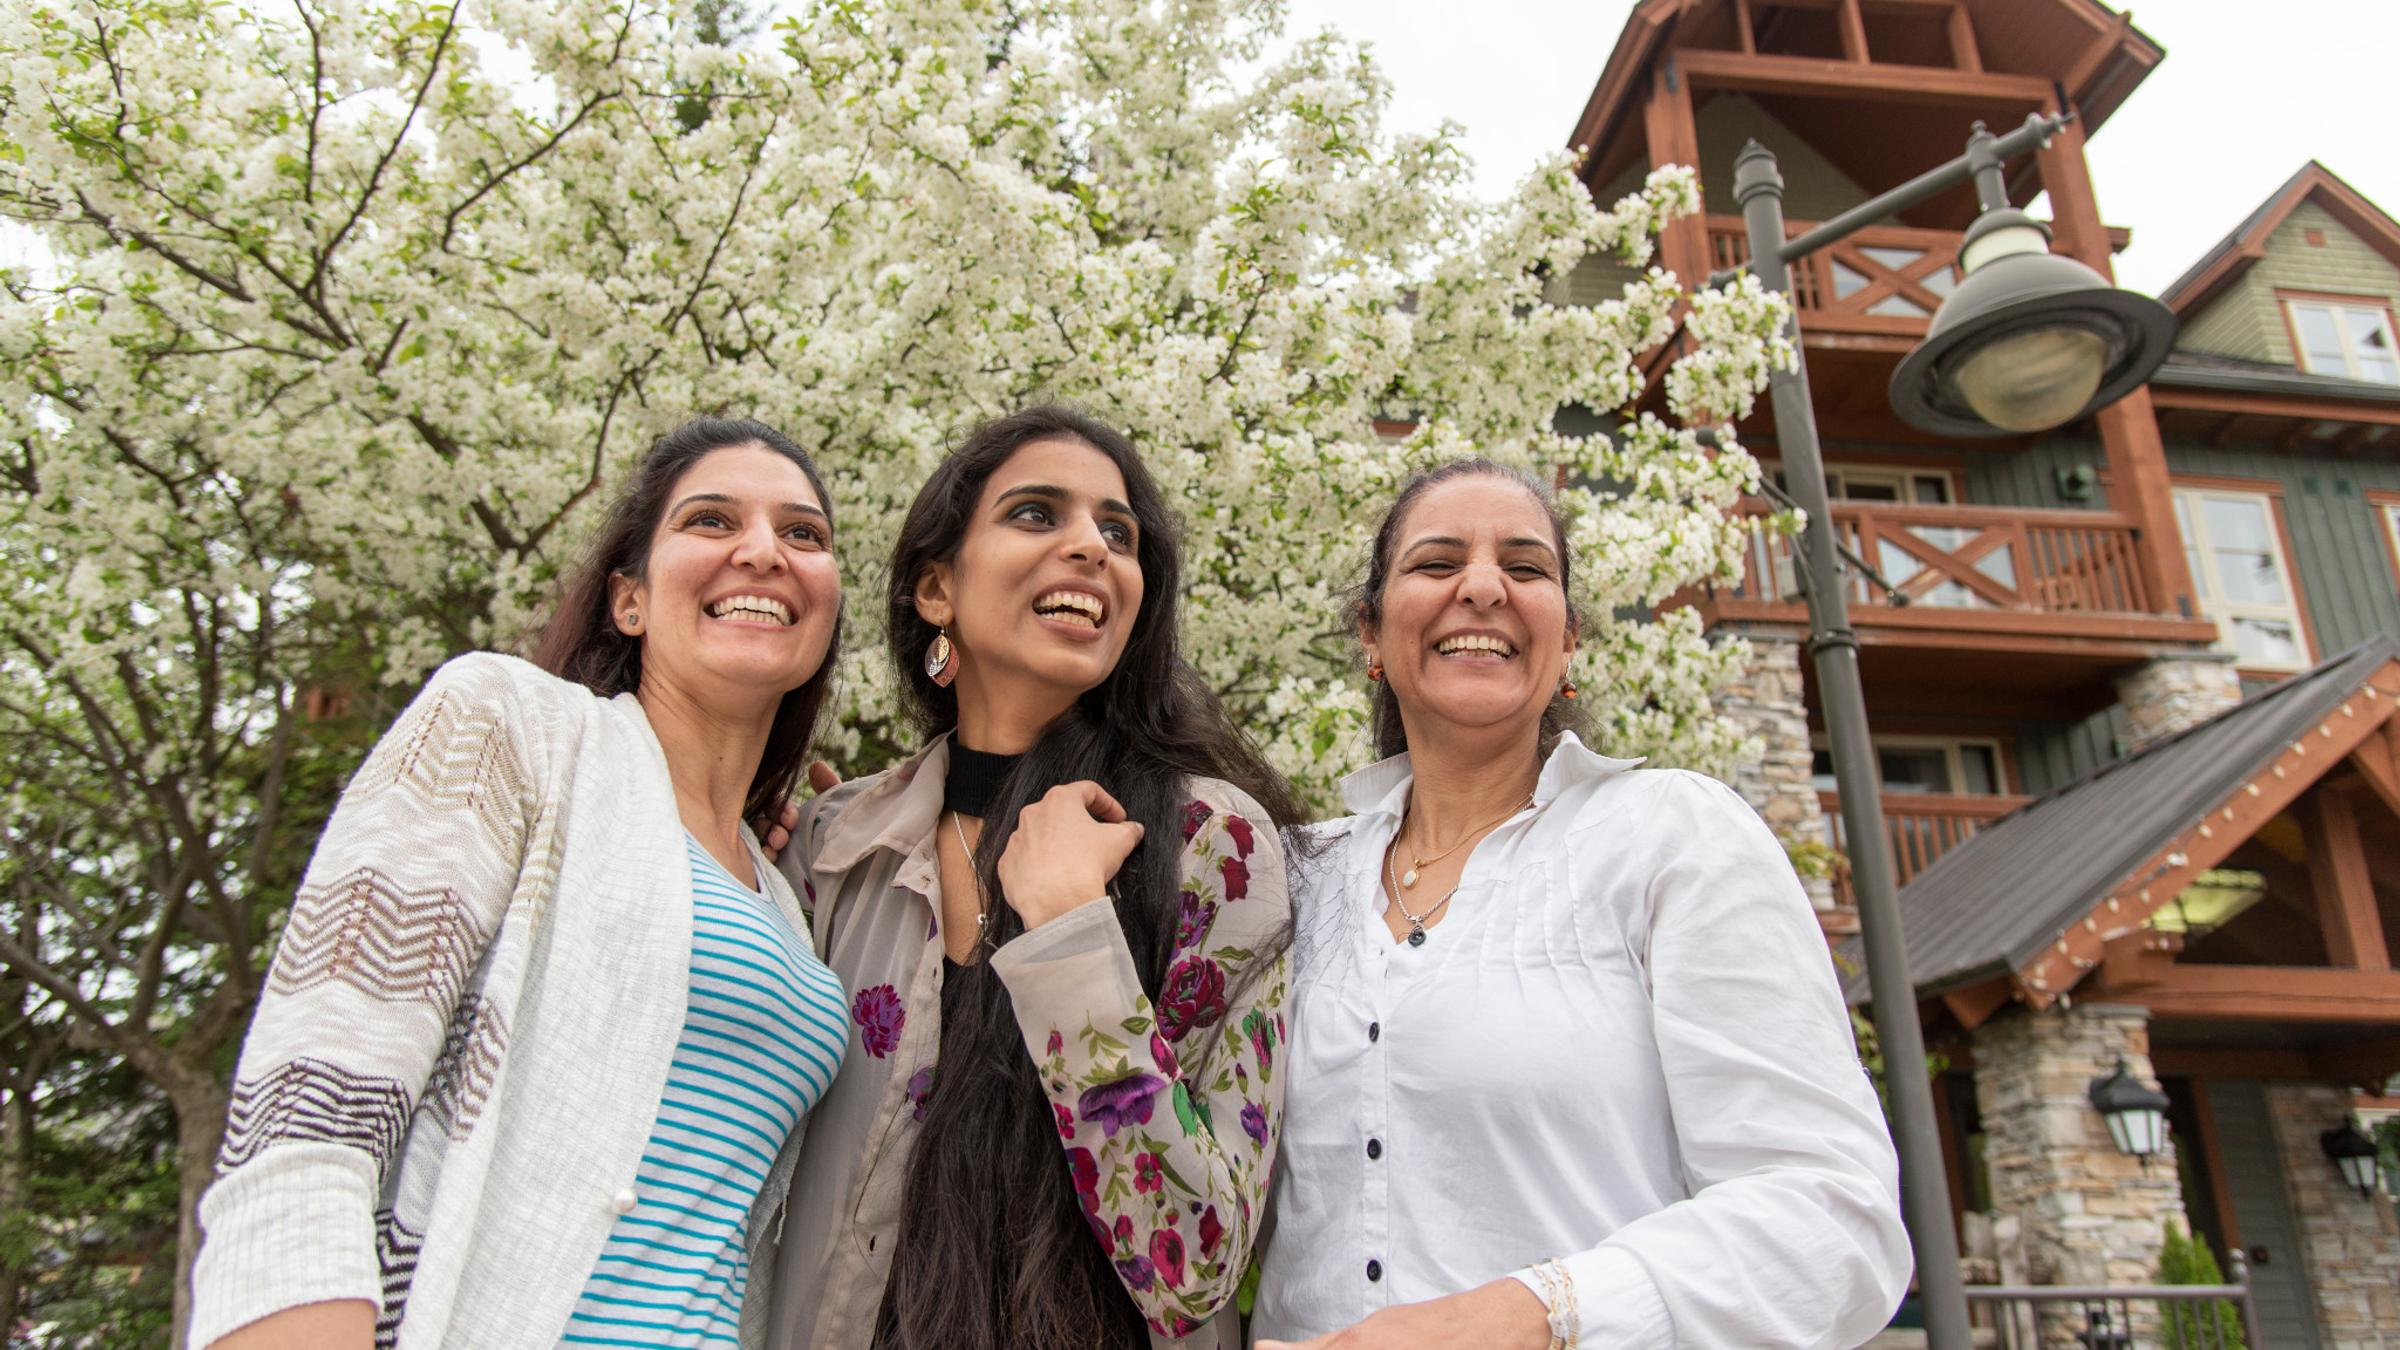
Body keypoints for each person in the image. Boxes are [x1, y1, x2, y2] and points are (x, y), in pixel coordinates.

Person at [191, 417, 849, 1350]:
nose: (763, 552)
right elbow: (312, 1109)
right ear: (629, 599)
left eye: (805, 534)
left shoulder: (781, 900)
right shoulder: (511, 726)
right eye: (710, 520)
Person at [1251, 460, 1910, 1350]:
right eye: (1437, 563)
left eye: (1526, 569)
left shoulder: (1671, 836)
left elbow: (1835, 1218)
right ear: (1371, 633)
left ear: (1567, 643)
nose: (1483, 586)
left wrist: (1536, 1313)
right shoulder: (1294, 877)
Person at [764, 406, 1301, 1350]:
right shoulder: (838, 845)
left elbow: (1196, 1262)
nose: (1091, 546)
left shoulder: (1212, 845)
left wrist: (1070, 933)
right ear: (937, 587)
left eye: (1118, 531)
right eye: (1036, 514)